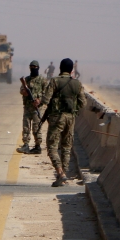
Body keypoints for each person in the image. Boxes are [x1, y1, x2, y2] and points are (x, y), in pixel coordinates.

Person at [43, 58, 86, 187]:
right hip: (70, 118)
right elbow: (83, 103)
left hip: (57, 117)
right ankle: (63, 176)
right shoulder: (77, 84)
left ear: (60, 68)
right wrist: (74, 109)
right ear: (72, 70)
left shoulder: (55, 81)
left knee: (52, 147)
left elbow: (46, 99)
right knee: (66, 147)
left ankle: (60, 173)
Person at [17, 60, 47, 154]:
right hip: (27, 107)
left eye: (35, 67)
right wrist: (24, 92)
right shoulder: (26, 79)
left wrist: (39, 100)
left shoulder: (42, 80)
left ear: (38, 68)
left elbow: (46, 94)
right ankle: (26, 145)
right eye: (31, 67)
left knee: (36, 127)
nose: (33, 69)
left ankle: (37, 146)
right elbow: (21, 90)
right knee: (26, 126)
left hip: (37, 108)